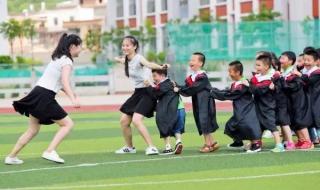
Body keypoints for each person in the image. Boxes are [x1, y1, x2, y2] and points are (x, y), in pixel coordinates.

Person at [5, 33, 82, 164]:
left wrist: (72, 95)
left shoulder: (57, 58)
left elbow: (59, 82)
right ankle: (50, 151)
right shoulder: (67, 61)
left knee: (32, 130)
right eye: (80, 46)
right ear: (73, 46)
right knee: (68, 124)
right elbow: (64, 81)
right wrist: (72, 99)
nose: (81, 49)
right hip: (45, 96)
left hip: (37, 93)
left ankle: (11, 157)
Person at [114, 36, 169, 155]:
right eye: (123, 45)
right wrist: (118, 59)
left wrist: (160, 67)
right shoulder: (127, 59)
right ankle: (130, 147)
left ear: (135, 47)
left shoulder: (139, 58)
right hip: (138, 93)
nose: (125, 47)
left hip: (147, 93)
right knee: (124, 121)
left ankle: (152, 147)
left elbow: (148, 64)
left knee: (137, 120)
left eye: (128, 45)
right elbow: (124, 61)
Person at [210, 61, 262, 153]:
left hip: (247, 111)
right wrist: (214, 90)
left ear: (237, 72)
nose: (229, 74)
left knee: (248, 126)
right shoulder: (235, 84)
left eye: (230, 71)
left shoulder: (244, 83)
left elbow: (231, 95)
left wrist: (213, 93)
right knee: (230, 125)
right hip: (239, 111)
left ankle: (256, 144)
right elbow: (227, 92)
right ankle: (238, 141)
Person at [175, 52, 219, 153]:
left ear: (200, 63)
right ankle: (212, 142)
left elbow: (193, 88)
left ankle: (208, 145)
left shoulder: (202, 76)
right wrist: (178, 86)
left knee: (204, 122)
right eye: (190, 60)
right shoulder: (193, 76)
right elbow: (187, 87)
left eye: (193, 60)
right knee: (202, 121)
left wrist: (179, 90)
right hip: (198, 103)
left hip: (205, 103)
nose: (191, 62)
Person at [249, 54, 285, 152]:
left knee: (271, 125)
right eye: (256, 65)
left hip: (268, 106)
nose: (257, 67)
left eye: (259, 65)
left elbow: (259, 90)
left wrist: (268, 87)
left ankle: (279, 145)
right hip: (258, 106)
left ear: (266, 66)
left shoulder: (272, 77)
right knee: (258, 125)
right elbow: (253, 89)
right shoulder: (256, 77)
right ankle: (257, 144)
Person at [147, 68, 185, 155]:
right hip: (181, 109)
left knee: (163, 124)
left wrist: (149, 86)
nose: (153, 78)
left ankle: (168, 147)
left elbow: (156, 94)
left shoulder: (164, 85)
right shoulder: (172, 82)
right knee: (177, 128)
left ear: (162, 76)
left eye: (155, 76)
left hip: (170, 110)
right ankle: (178, 142)